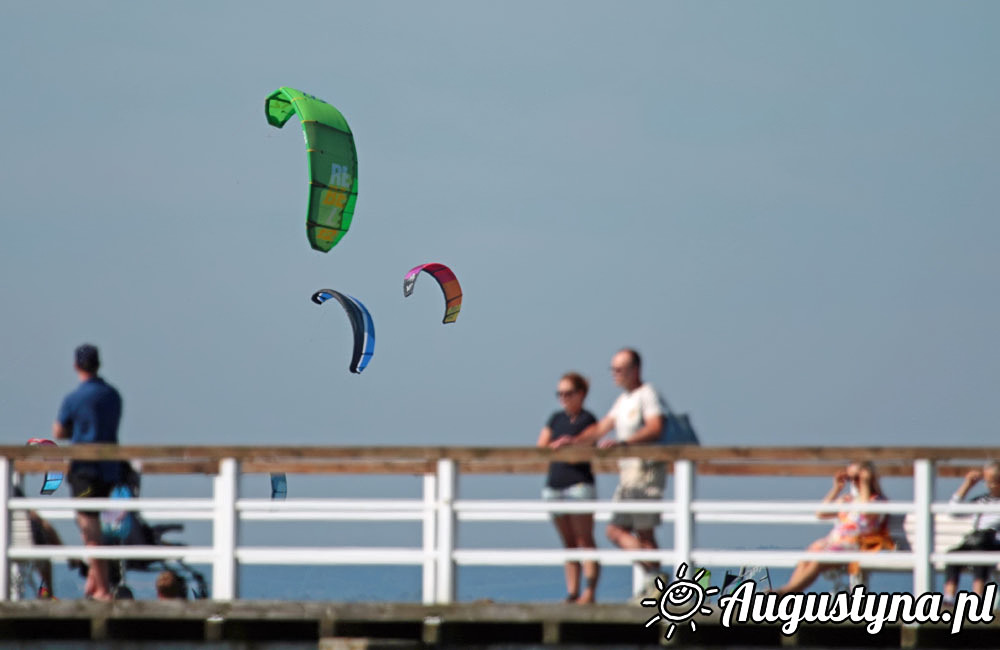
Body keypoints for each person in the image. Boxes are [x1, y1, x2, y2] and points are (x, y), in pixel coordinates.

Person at [576, 349, 668, 588]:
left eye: (620, 369)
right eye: (613, 369)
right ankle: (655, 578)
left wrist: (626, 443)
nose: (614, 374)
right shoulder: (623, 400)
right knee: (621, 531)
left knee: (636, 531)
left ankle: (656, 577)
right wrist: (572, 442)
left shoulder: (647, 394)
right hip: (628, 476)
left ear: (635, 370)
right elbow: (600, 429)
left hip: (646, 473)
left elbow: (656, 427)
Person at [53, 344, 123, 601]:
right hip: (109, 470)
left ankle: (102, 589)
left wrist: (76, 432)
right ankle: (92, 585)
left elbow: (59, 432)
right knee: (98, 527)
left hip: (84, 470)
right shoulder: (113, 395)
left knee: (89, 528)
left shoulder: (74, 398)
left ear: (76, 366)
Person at [774, 461, 888, 594]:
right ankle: (789, 592)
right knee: (807, 557)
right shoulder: (849, 500)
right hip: (836, 542)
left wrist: (865, 484)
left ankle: (786, 592)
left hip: (858, 543)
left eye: (857, 478)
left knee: (818, 561)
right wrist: (837, 489)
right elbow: (821, 513)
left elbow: (865, 513)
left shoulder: (876, 501)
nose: (854, 482)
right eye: (850, 478)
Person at [538, 372, 600, 604]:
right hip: (555, 484)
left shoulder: (588, 419)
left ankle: (589, 591)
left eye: (568, 393)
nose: (563, 398)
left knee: (584, 540)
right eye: (560, 393)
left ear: (581, 394)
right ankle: (572, 592)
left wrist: (570, 443)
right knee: (568, 542)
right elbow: (541, 444)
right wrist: (556, 444)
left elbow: (591, 440)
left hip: (579, 484)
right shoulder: (555, 419)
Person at [942, 461, 1000, 602]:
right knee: (953, 555)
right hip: (977, 540)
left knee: (980, 555)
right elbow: (954, 512)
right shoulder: (981, 500)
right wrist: (967, 485)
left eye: (992, 482)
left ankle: (977, 598)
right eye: (987, 481)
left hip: (994, 542)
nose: (988, 485)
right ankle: (949, 597)